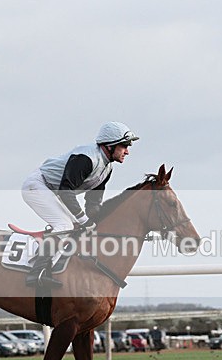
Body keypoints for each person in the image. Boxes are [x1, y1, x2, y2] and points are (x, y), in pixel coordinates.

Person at [21, 121, 139, 288]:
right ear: (110, 146)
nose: (127, 151)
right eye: (124, 146)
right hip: (37, 186)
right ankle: (37, 273)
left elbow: (93, 203)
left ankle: (55, 268)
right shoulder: (86, 159)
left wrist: (99, 223)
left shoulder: (107, 168)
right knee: (64, 225)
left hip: (55, 192)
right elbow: (65, 191)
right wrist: (84, 220)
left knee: (77, 227)